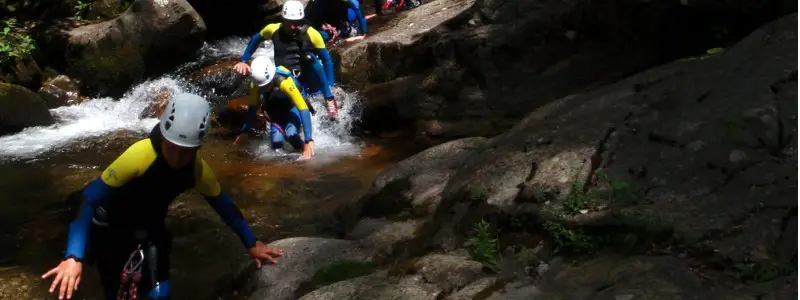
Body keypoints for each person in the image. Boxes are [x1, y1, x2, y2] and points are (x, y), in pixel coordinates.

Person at [41, 93, 284, 300]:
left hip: (150, 232)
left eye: (186, 152)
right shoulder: (139, 155)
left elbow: (225, 208)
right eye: (172, 148)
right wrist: (74, 256)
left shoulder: (198, 170)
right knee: (113, 291)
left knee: (160, 292)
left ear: (198, 148)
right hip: (110, 229)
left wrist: (252, 244)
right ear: (164, 137)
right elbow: (89, 199)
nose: (177, 159)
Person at [233, 0, 339, 120]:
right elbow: (255, 39)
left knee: (309, 57)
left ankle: (329, 99)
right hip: (285, 77)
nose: (293, 26)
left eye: (296, 23)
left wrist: (330, 84)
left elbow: (326, 60)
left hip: (308, 80)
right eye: (290, 23)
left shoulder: (312, 34)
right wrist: (243, 60)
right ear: (283, 19)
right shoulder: (272, 29)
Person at [233, 56, 316, 160]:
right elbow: (252, 109)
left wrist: (308, 140)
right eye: (262, 86)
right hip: (275, 110)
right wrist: (244, 132)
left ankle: (306, 152)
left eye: (267, 85)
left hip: (292, 106)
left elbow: (303, 108)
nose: (264, 88)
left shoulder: (285, 82)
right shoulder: (255, 85)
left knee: (292, 135)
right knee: (277, 143)